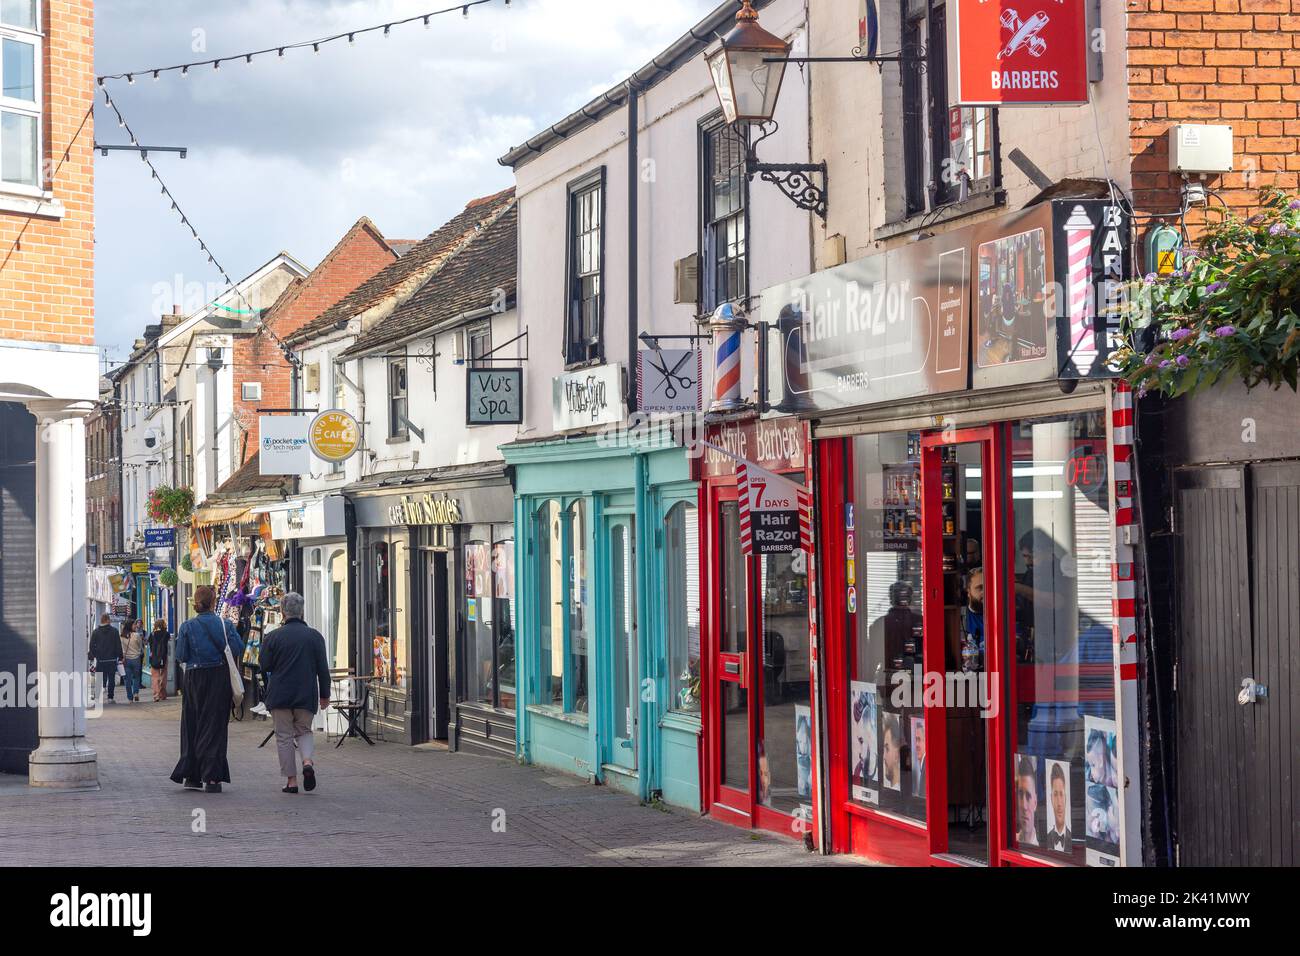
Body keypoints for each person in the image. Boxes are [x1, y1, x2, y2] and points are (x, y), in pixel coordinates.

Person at [170, 585, 244, 793]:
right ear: (213, 603)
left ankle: (192, 775)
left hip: (193, 678)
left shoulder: (186, 626)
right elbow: (237, 648)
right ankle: (212, 778)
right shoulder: (225, 624)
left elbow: (181, 655)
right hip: (218, 677)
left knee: (192, 724)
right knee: (214, 726)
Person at [259, 592, 331, 794]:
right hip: (306, 694)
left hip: (280, 694)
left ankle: (291, 781)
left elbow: (264, 665)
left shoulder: (273, 637)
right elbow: (322, 669)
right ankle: (307, 762)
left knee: (283, 736)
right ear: (302, 612)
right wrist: (325, 694)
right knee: (304, 731)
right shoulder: (315, 637)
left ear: (282, 611)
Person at [88, 614, 122, 704]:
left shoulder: (96, 632)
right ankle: (110, 698)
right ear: (107, 620)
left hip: (101, 660)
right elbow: (118, 645)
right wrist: (120, 656)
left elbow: (91, 646)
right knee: (111, 679)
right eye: (109, 619)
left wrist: (96, 654)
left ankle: (97, 697)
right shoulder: (114, 631)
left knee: (99, 677)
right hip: (111, 659)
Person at [1046, 761, 1072, 852]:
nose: (1059, 803)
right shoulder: (1045, 838)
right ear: (1051, 799)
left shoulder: (1074, 838)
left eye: (1061, 794)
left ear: (1066, 798)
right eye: (1055, 794)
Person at [1016, 755, 1041, 847]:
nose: (1024, 806)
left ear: (1035, 802)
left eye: (1028, 796)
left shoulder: (1042, 850)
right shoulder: (1012, 841)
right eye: (1020, 794)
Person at [122, 619, 145, 703]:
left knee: (127, 679)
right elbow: (140, 646)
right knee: (136, 677)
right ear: (130, 626)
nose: (135, 626)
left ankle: (130, 698)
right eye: (134, 625)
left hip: (126, 659)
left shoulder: (122, 636)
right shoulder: (136, 635)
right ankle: (135, 693)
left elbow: (122, 648)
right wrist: (138, 652)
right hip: (136, 659)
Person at [149, 620, 170, 702]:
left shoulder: (152, 634)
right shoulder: (166, 634)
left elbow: (150, 646)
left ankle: (156, 695)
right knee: (163, 676)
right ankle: (162, 694)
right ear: (163, 625)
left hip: (154, 657)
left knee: (155, 677)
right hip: (163, 657)